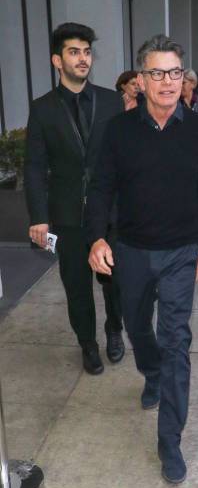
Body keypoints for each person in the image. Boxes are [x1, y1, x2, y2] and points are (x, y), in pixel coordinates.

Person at [86, 34, 198, 485]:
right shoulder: (117, 131)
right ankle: (150, 371)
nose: (167, 81)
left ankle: (170, 443)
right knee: (138, 327)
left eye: (175, 72)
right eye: (157, 73)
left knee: (176, 340)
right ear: (140, 80)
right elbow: (101, 187)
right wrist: (96, 239)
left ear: (184, 79)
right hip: (132, 251)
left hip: (182, 251)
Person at [24, 22, 125, 375]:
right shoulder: (42, 109)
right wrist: (39, 216)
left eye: (86, 51)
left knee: (115, 283)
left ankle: (115, 329)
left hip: (110, 213)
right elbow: (34, 167)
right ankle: (88, 343)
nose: (83, 59)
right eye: (73, 52)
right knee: (77, 287)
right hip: (66, 216)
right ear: (57, 60)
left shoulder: (112, 102)